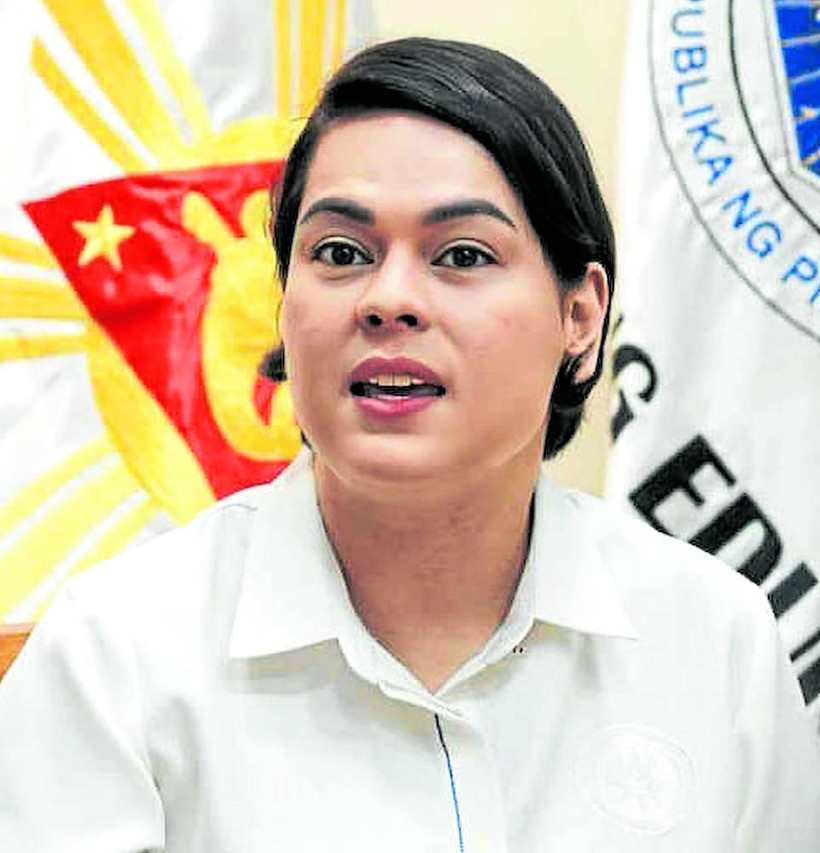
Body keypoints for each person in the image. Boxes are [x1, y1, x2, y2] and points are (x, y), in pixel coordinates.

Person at [1, 37, 819, 852]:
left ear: (581, 316)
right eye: (341, 254)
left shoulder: (714, 640)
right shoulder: (116, 653)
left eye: (462, 255)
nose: (388, 299)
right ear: (285, 304)